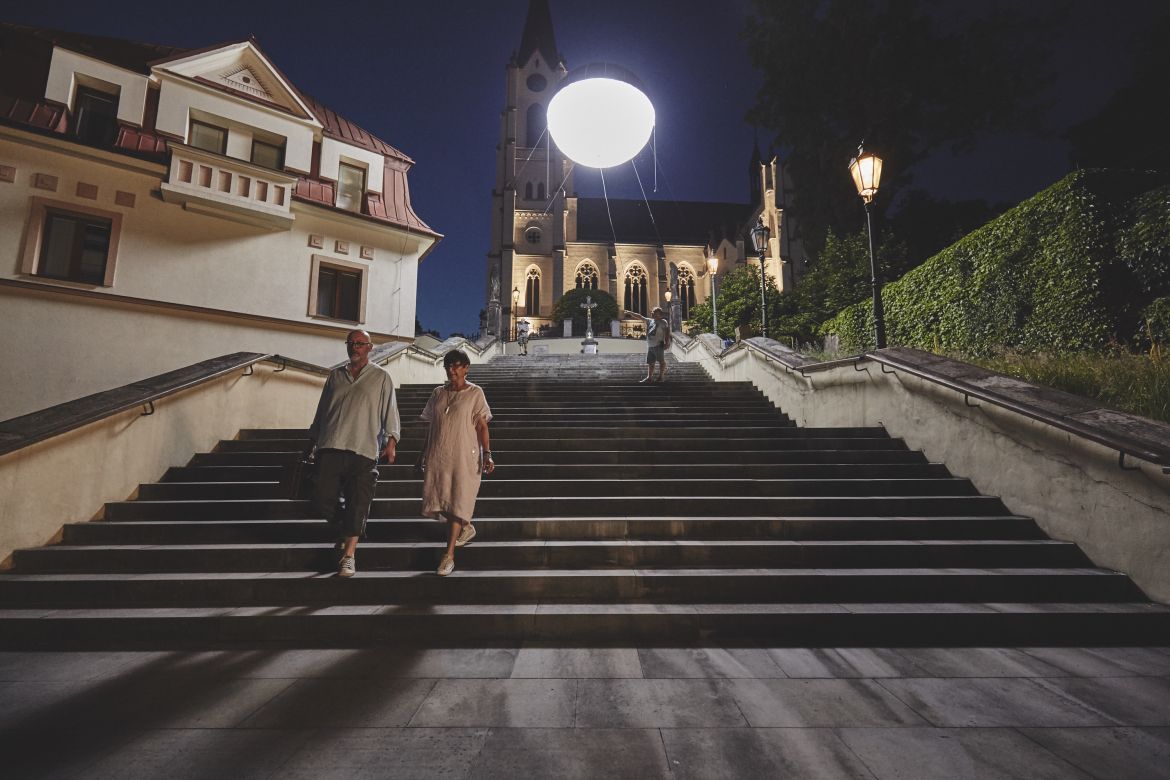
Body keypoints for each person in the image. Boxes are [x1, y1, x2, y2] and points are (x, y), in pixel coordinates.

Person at [307, 329, 399, 578]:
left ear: (370, 347)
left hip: (364, 448)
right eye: (351, 343)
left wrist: (391, 440)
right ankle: (346, 526)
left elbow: (390, 410)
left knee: (358, 503)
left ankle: (349, 555)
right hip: (331, 445)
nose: (354, 347)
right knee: (321, 499)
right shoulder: (335, 376)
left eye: (360, 343)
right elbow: (322, 410)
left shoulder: (381, 377)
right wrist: (312, 440)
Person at [419, 349, 495, 576]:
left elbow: (482, 426)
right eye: (448, 366)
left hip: (464, 456)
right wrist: (421, 454)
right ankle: (466, 525)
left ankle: (448, 555)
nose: (451, 370)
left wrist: (487, 453)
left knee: (457, 499)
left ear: (466, 368)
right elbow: (431, 426)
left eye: (456, 366)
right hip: (439, 455)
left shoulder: (475, 393)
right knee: (444, 498)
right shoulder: (438, 393)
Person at [625, 306, 672, 382]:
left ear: (660, 314)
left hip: (658, 345)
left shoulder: (663, 322)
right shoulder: (650, 321)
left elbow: (667, 333)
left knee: (661, 361)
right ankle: (649, 378)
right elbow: (640, 317)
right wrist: (630, 313)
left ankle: (661, 377)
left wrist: (667, 343)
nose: (653, 314)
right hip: (650, 346)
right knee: (650, 363)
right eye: (653, 313)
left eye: (655, 313)